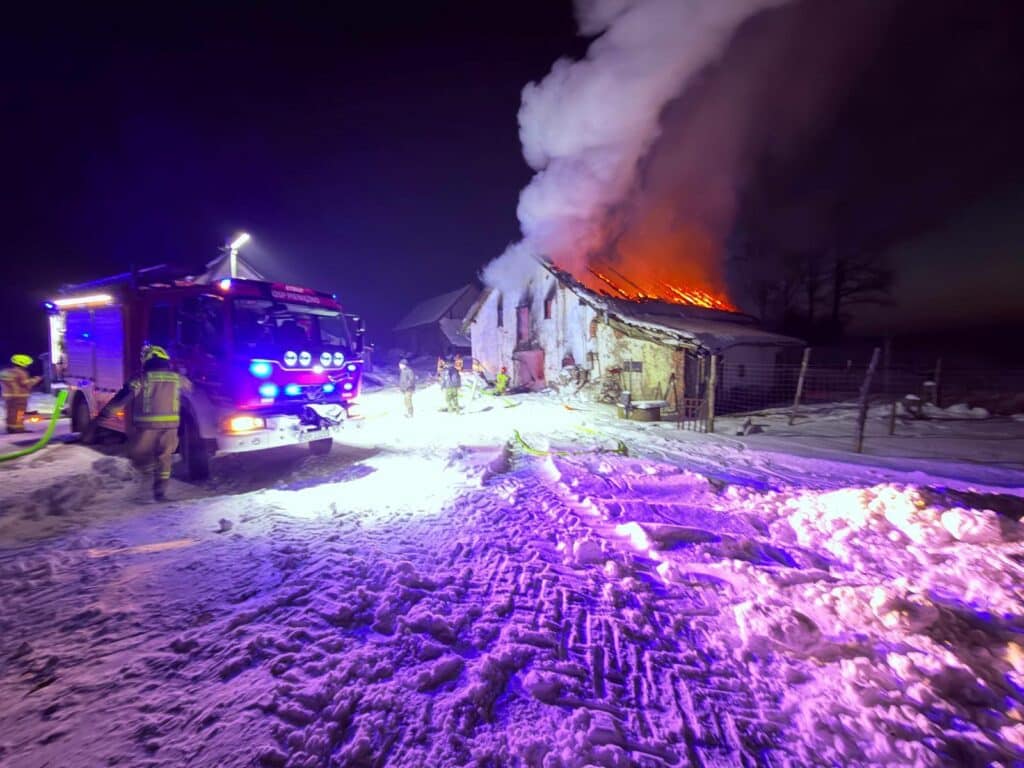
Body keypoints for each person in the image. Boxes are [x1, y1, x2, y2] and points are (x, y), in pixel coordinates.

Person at [99, 345, 192, 501]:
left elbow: (123, 397)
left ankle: (144, 482)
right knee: (164, 459)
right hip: (170, 427)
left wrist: (106, 414)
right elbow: (190, 388)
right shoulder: (177, 379)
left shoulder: (141, 379)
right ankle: (160, 492)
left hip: (147, 427)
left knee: (139, 455)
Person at [1, 354, 42, 434]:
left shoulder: (8, 372)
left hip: (8, 396)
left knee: (10, 413)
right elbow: (26, 384)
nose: (27, 365)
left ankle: (10, 428)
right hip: (20, 397)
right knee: (19, 413)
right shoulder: (21, 373)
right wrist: (36, 379)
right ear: (22, 363)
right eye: (27, 364)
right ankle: (18, 429)